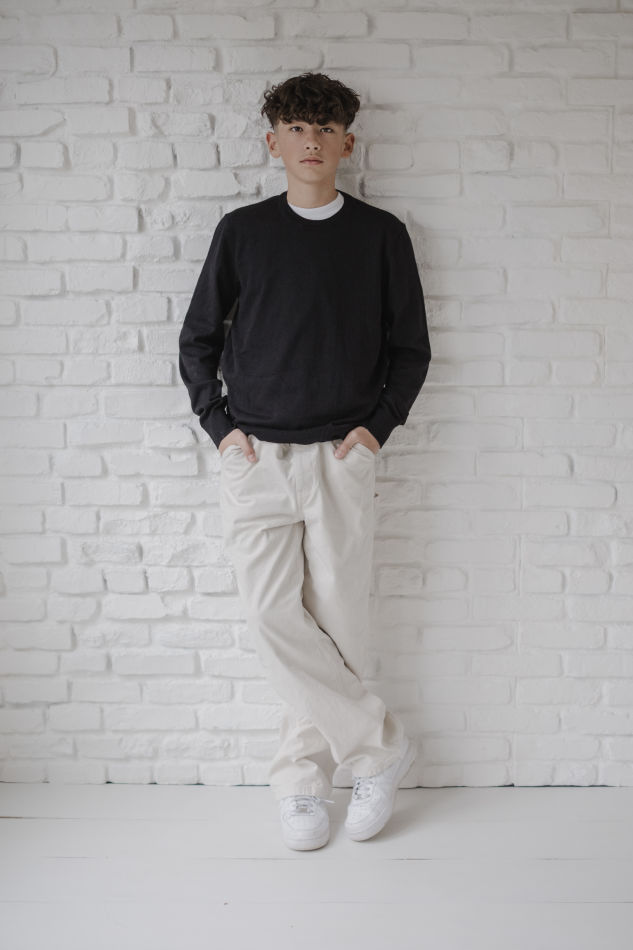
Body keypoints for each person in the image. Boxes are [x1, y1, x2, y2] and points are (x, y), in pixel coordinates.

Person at [178, 71, 432, 851]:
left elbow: (410, 349)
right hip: (254, 455)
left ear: (346, 143)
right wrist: (220, 428)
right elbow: (197, 341)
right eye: (295, 128)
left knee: (339, 625)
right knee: (271, 617)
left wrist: (375, 431)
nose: (310, 142)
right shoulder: (243, 232)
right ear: (273, 142)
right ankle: (379, 749)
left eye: (324, 129)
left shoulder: (380, 235)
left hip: (340, 457)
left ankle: (301, 785)